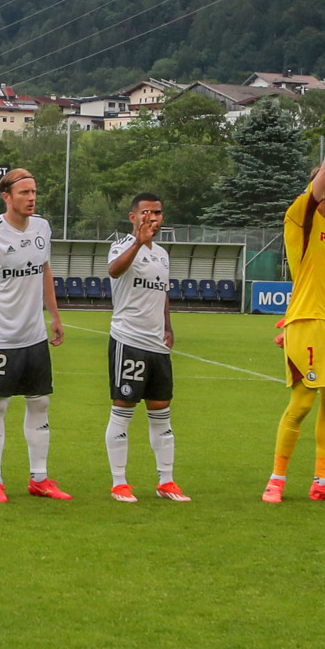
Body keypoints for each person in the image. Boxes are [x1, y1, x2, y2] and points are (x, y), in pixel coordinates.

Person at [263, 95, 325, 504]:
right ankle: (276, 480)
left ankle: (323, 482)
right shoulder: (300, 217)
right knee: (303, 402)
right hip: (309, 324)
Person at [0, 168, 68, 503]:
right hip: (0, 339)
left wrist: (55, 316)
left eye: (34, 192)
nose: (31, 198)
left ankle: (40, 479)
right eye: (24, 193)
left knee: (40, 403)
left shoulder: (42, 228)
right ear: (7, 197)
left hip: (34, 337)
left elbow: (44, 270)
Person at [103, 193, 187, 503]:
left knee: (162, 414)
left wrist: (167, 325)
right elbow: (114, 270)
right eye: (147, 213)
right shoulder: (122, 246)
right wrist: (137, 243)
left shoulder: (163, 254)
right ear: (133, 217)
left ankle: (166, 481)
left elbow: (162, 293)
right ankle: (119, 483)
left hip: (157, 346)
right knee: (123, 411)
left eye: (158, 213)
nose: (153, 218)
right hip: (129, 341)